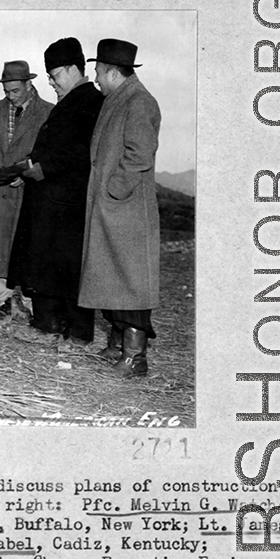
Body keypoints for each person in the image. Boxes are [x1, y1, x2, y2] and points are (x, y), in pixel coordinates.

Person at [7, 38, 104, 343]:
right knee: (48, 265)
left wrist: (44, 168)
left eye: (55, 75)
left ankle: (76, 333)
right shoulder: (71, 101)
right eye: (49, 77)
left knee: (68, 268)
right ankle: (48, 323)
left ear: (75, 69)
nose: (51, 83)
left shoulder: (90, 101)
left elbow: (81, 151)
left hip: (68, 203)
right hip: (52, 200)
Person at [79, 38, 162, 376]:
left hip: (125, 210)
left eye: (98, 72)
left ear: (113, 72)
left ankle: (135, 358)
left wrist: (114, 189)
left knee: (130, 283)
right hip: (114, 209)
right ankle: (117, 345)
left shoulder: (139, 101)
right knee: (114, 278)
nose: (96, 78)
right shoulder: (120, 98)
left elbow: (140, 154)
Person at [0, 60, 53, 317]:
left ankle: (32, 303)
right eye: (7, 91)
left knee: (28, 247)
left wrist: (28, 176)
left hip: (28, 192)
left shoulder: (47, 111)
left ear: (29, 85)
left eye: (16, 91)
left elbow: (48, 156)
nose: (10, 96)